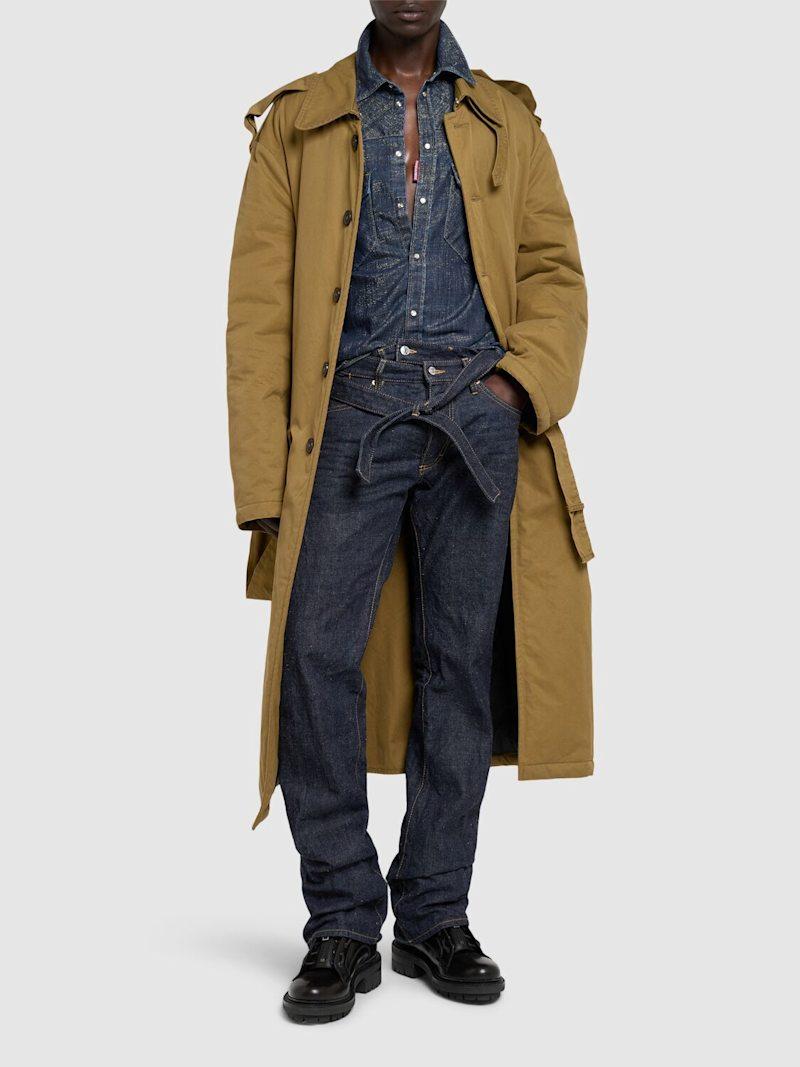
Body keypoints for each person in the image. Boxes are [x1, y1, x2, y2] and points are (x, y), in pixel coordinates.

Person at [227, 0, 594, 1024]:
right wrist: (261, 484)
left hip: (475, 416)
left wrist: (512, 389)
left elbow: (555, 275)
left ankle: (434, 912)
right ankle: (341, 920)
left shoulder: (506, 122)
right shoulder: (300, 121)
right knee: (314, 656)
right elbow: (256, 311)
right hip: (345, 415)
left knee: (458, 667)